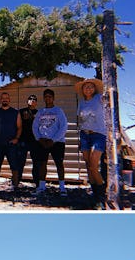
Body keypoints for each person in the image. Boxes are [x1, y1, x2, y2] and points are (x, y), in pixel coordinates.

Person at [75, 78, 107, 208]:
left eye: (90, 87)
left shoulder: (99, 98)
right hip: (84, 135)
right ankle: (94, 194)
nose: (88, 89)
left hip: (98, 135)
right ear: (82, 90)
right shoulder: (81, 102)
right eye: (85, 87)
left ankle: (102, 194)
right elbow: (80, 120)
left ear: (94, 89)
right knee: (88, 166)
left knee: (94, 165)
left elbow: (108, 99)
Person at [32, 89, 68, 197]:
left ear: (53, 98)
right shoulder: (40, 112)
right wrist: (39, 138)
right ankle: (42, 186)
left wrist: (54, 140)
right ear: (44, 98)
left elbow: (63, 127)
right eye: (46, 97)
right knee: (42, 164)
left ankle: (62, 187)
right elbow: (35, 126)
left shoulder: (58, 111)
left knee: (59, 164)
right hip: (43, 142)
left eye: (50, 96)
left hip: (57, 142)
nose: (48, 99)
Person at [0, 92, 22, 193]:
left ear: (9, 100)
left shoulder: (15, 112)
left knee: (14, 165)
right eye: (3, 98)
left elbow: (20, 127)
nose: (5, 100)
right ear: (0, 100)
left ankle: (15, 186)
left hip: (11, 144)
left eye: (7, 98)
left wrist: (16, 138)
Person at [19, 94, 40, 188]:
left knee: (36, 162)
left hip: (34, 141)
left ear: (36, 102)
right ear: (27, 101)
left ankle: (37, 183)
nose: (32, 100)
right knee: (20, 162)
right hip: (23, 140)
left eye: (34, 99)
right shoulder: (21, 111)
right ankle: (16, 182)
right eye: (30, 99)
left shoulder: (39, 113)